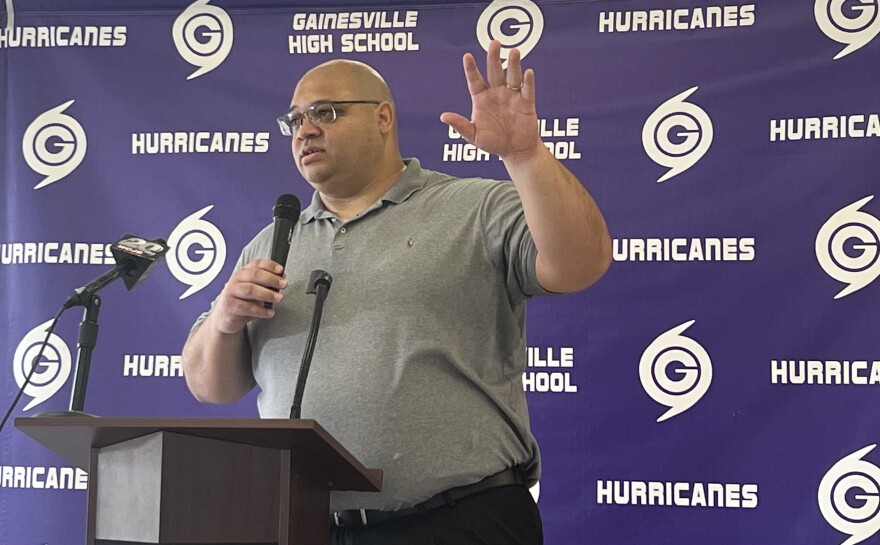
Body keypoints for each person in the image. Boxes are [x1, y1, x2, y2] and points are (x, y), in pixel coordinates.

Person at [182, 40, 611, 545]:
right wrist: (225, 322)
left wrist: (526, 156)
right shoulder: (274, 242)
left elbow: (583, 264)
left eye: (326, 112)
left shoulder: (473, 207)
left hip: (457, 520)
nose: (306, 129)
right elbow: (212, 386)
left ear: (383, 117)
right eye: (294, 120)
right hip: (304, 525)